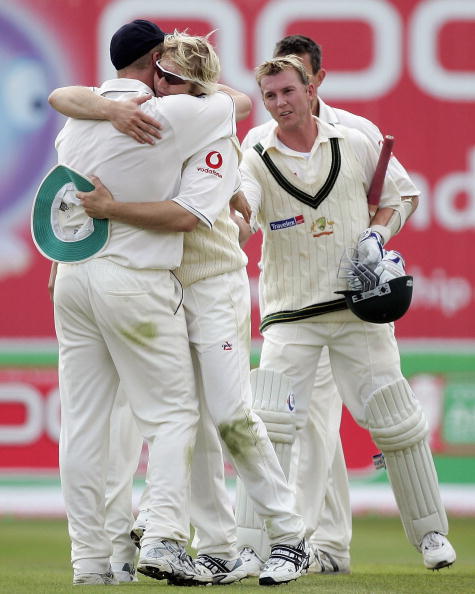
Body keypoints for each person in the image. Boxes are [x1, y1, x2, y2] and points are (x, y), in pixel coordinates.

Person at [50, 27, 312, 587]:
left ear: (193, 85)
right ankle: (210, 544)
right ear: (148, 68)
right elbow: (67, 96)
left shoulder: (206, 123)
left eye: (173, 78)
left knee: (228, 416)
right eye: (158, 72)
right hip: (155, 286)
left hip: (210, 284)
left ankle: (288, 537)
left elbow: (190, 211)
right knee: (179, 425)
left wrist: (112, 206)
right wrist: (108, 108)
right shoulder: (140, 112)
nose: (160, 87)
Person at [238, 54, 456, 571]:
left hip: (357, 309)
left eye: (288, 91)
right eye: (270, 96)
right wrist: (235, 215)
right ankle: (249, 546)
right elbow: (246, 207)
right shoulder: (255, 152)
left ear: (310, 90)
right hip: (290, 313)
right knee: (269, 425)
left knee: (395, 421)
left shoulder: (354, 141)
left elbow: (401, 195)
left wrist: (378, 233)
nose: (280, 103)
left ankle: (430, 537)